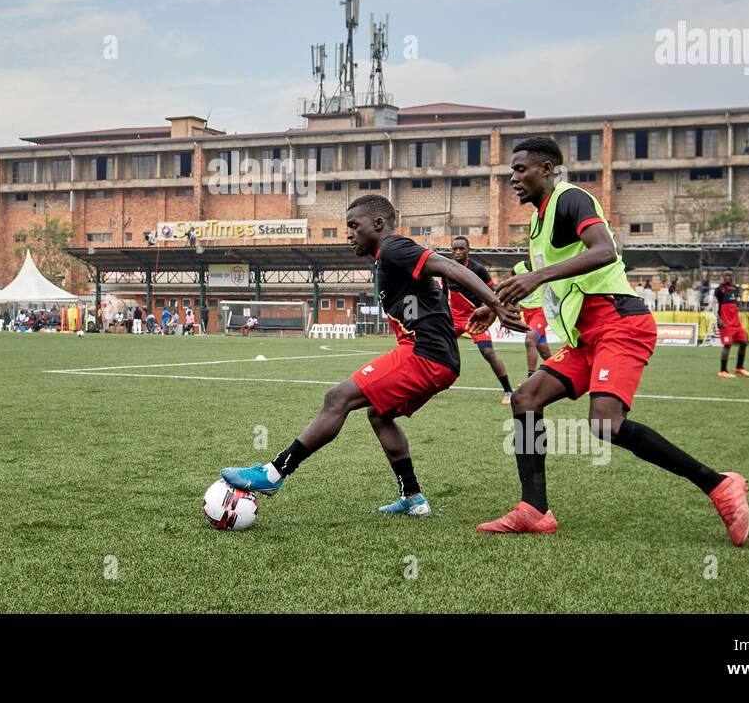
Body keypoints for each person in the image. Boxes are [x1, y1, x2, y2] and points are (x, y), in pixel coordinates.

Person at [481, 137, 749, 545]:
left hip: (619, 322)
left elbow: (604, 251)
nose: (513, 178)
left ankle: (718, 485)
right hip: (588, 336)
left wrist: (536, 277)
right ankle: (534, 510)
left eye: (521, 170)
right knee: (526, 399)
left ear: (548, 170)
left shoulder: (572, 199)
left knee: (605, 423)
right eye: (511, 171)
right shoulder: (538, 225)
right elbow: (547, 278)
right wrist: (496, 302)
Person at [220, 194, 526, 517]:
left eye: (354, 226)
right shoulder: (385, 257)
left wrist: (495, 304)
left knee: (337, 398)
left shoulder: (394, 247)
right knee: (379, 415)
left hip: (426, 355)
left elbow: (447, 265)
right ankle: (413, 498)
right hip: (433, 356)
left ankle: (273, 473)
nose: (348, 234)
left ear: (378, 224)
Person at [443, 236, 514, 404]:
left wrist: (500, 312)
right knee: (436, 348)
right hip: (454, 319)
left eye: (462, 249)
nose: (458, 252)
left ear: (469, 251)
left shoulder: (478, 269)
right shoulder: (445, 269)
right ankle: (429, 386)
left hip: (475, 318)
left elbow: (494, 292)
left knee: (488, 352)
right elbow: (443, 294)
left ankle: (508, 391)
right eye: (455, 249)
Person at [510, 260, 553, 379]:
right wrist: (512, 307)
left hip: (541, 311)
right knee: (545, 353)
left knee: (529, 340)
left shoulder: (542, 266)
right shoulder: (518, 267)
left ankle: (530, 379)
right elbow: (511, 284)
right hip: (527, 312)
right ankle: (562, 373)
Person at [715, 272, 749, 378]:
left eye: (729, 275)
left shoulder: (735, 289)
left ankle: (739, 368)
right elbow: (713, 305)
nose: (727, 277)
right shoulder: (719, 290)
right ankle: (723, 371)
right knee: (727, 345)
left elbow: (735, 304)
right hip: (726, 323)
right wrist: (718, 319)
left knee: (744, 342)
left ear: (732, 277)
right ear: (723, 277)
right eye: (725, 275)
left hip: (736, 323)